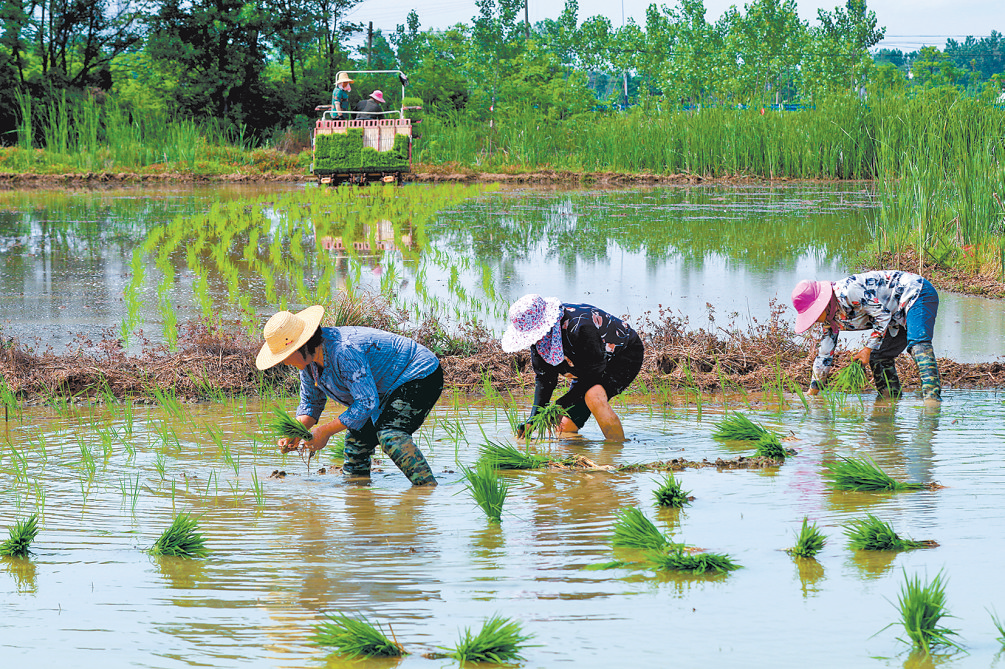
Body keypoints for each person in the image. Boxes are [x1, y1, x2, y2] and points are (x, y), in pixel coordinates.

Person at [256, 305, 441, 485]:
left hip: (418, 374)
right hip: (382, 389)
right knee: (356, 444)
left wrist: (325, 431)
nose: (286, 362)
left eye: (286, 356)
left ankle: (426, 489)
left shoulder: (344, 350)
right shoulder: (308, 365)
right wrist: (295, 432)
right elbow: (311, 404)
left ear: (302, 346)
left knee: (390, 435)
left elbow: (367, 402)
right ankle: (359, 499)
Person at [500, 294, 645, 440]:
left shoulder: (580, 328)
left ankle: (616, 450)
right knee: (563, 427)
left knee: (593, 396)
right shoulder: (540, 341)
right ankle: (578, 458)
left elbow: (594, 373)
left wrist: (561, 404)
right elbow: (545, 379)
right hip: (585, 366)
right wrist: (533, 420)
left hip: (623, 355)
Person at [791, 270, 941, 400]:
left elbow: (882, 315)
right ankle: (890, 401)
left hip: (915, 293)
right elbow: (824, 356)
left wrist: (867, 349)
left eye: (814, 314)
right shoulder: (830, 320)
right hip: (894, 315)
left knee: (918, 343)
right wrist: (812, 392)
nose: (814, 320)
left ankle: (932, 402)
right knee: (879, 357)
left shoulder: (848, 291)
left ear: (822, 305)